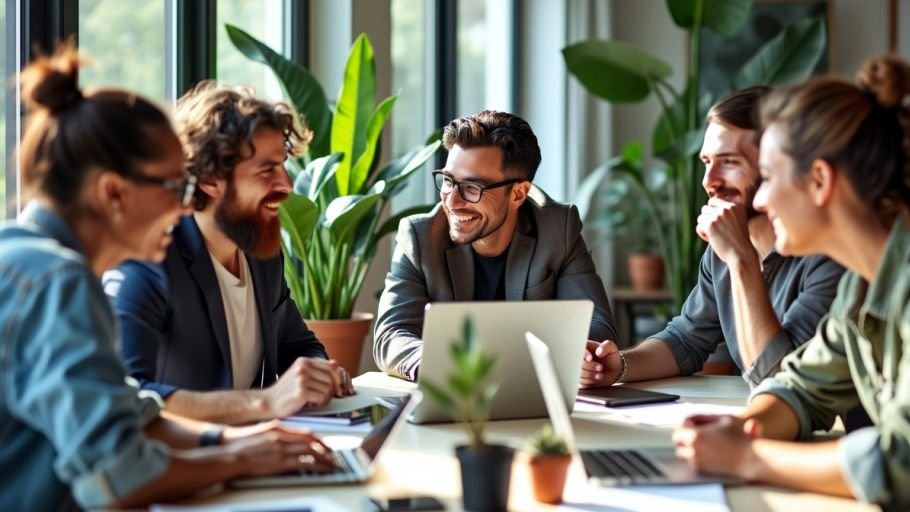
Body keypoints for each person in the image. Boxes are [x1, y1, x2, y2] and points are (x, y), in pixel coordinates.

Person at [673, 56, 910, 511]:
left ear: (819, 181)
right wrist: (742, 429)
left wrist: (748, 456)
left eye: (771, 177)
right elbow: (801, 389)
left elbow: (904, 466)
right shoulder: (863, 284)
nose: (758, 197)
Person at [0, 46, 335, 511]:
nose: (186, 205)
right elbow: (122, 476)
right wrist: (241, 457)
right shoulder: (58, 282)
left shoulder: (24, 260)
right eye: (175, 187)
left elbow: (137, 416)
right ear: (114, 193)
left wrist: (242, 444)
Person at [104, 82, 354, 426]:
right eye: (267, 170)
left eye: (283, 165)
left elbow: (296, 345)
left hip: (252, 452)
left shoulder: (262, 251)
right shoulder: (148, 261)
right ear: (209, 179)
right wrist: (263, 403)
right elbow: (124, 392)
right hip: (185, 464)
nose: (286, 184)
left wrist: (317, 374)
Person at [580, 87, 845, 390]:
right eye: (707, 162)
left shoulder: (828, 256)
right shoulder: (723, 248)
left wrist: (740, 259)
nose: (709, 181)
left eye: (730, 162)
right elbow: (687, 338)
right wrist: (619, 366)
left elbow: (785, 383)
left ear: (776, 163)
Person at [374, 110, 617, 381]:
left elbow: (598, 327)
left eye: (472, 187)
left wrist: (582, 355)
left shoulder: (557, 229)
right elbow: (391, 335)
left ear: (518, 194)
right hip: (452, 399)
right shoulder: (420, 237)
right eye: (448, 180)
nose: (452, 201)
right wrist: (441, 367)